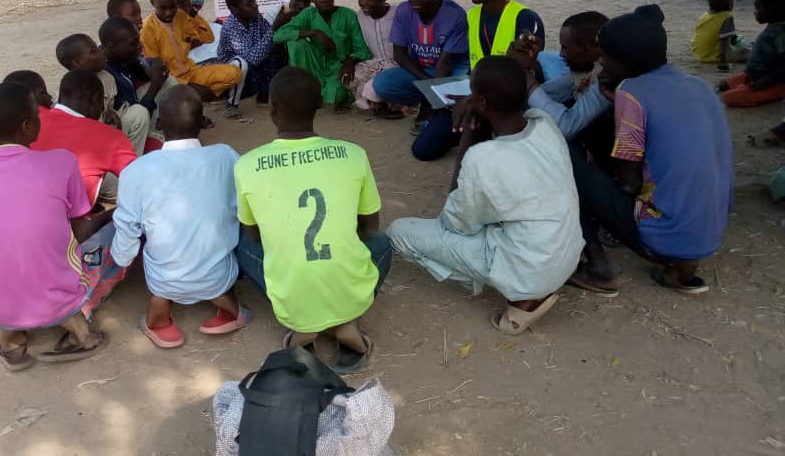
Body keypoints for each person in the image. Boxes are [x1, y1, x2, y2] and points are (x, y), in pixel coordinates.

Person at [388, 57, 583, 334]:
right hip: (567, 257)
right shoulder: (544, 124)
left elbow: (455, 224)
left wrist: (468, 133)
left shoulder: (483, 158)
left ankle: (523, 301)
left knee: (399, 232)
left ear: (479, 103)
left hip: (531, 273)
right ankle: (525, 285)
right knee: (497, 211)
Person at [0, 82, 122, 371]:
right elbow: (80, 225)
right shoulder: (61, 162)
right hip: (59, 295)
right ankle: (82, 333)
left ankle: (9, 340)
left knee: (3, 261)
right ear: (29, 126)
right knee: (112, 229)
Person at [235, 67, 391, 374]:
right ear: (320, 103)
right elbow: (370, 228)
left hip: (293, 299)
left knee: (242, 244)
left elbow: (252, 235)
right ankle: (343, 325)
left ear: (272, 110)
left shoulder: (246, 165)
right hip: (350, 294)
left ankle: (305, 328)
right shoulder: (354, 154)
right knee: (383, 242)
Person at [570, 5, 733, 296]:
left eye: (605, 59)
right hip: (707, 234)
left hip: (661, 237)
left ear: (626, 61)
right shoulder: (698, 85)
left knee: (565, 156)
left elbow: (629, 181)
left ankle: (597, 267)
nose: (602, 67)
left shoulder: (633, 92)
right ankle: (682, 271)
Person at [114, 86, 250, 349]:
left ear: (159, 122)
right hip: (218, 275)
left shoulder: (137, 170)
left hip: (164, 279)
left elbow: (126, 232)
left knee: (156, 252)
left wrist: (121, 259)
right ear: (202, 122)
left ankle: (158, 317)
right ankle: (231, 308)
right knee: (223, 240)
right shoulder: (226, 155)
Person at [413, 0, 544, 161]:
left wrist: (474, 100)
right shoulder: (471, 17)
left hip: (509, 103)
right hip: (476, 93)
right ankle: (470, 128)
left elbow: (526, 66)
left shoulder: (524, 17)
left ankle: (479, 131)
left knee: (486, 149)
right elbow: (470, 63)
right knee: (422, 150)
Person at [371, 0, 469, 120]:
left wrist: (434, 90)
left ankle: (433, 107)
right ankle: (424, 101)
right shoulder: (404, 11)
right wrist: (428, 86)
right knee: (381, 83)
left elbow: (445, 63)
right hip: (421, 70)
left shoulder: (455, 15)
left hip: (451, 70)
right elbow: (399, 53)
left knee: (465, 96)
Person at [30, 69, 137, 206]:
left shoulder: (33, 120)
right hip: (68, 222)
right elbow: (139, 179)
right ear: (96, 99)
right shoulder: (108, 136)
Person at [273, 0, 372, 109]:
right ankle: (305, 89)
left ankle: (316, 95)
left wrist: (350, 60)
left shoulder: (348, 15)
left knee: (340, 96)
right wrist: (315, 32)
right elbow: (279, 35)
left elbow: (363, 50)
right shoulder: (309, 14)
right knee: (295, 43)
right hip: (314, 67)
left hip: (338, 70)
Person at [514, 12, 612, 144]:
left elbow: (566, 127)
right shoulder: (583, 72)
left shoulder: (607, 78)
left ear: (587, 49)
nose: (561, 54)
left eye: (565, 48)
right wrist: (527, 66)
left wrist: (523, 74)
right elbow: (545, 94)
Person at [141, 0, 241, 103]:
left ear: (176, 2)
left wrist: (193, 12)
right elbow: (155, 70)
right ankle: (194, 96)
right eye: (163, 8)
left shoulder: (181, 16)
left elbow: (208, 38)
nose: (169, 13)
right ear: (152, 3)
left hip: (192, 72)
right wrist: (187, 86)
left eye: (172, 6)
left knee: (234, 73)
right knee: (189, 93)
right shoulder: (147, 29)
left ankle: (200, 96)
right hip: (171, 81)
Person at [100, 17, 171, 153]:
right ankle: (134, 161)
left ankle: (175, 127)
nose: (139, 46)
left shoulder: (123, 57)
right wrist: (155, 84)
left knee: (167, 81)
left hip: (136, 114)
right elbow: (137, 113)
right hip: (118, 130)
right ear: (110, 47)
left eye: (138, 40)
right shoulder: (106, 74)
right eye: (133, 43)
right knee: (140, 111)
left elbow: (146, 72)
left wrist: (155, 66)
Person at [217, 0, 283, 119]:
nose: (255, 6)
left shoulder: (256, 19)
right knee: (241, 63)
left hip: (252, 68)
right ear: (234, 9)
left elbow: (270, 40)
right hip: (233, 76)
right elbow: (252, 58)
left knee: (279, 50)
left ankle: (264, 93)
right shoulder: (230, 27)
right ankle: (231, 104)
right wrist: (275, 27)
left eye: (254, 1)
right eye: (249, 4)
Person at [719, 0, 785, 108]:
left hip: (772, 81)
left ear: (773, 10)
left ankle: (777, 92)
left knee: (729, 98)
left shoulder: (781, 33)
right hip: (755, 75)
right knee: (724, 85)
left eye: (759, 9)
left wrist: (766, 81)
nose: (755, 13)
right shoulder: (774, 27)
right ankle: (748, 83)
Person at [349, 0, 399, 113]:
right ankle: (379, 101)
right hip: (375, 64)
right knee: (350, 78)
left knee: (377, 83)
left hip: (397, 64)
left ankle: (385, 103)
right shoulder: (360, 16)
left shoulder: (397, 13)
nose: (363, 2)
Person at [55, 33, 121, 124]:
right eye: (94, 51)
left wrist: (110, 113)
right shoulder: (68, 95)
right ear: (77, 63)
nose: (102, 52)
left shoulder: (107, 77)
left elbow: (110, 108)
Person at [691, 0, 749, 69]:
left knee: (739, 40)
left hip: (699, 54)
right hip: (714, 56)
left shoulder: (704, 16)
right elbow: (724, 42)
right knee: (749, 51)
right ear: (728, 4)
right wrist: (723, 62)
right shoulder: (727, 16)